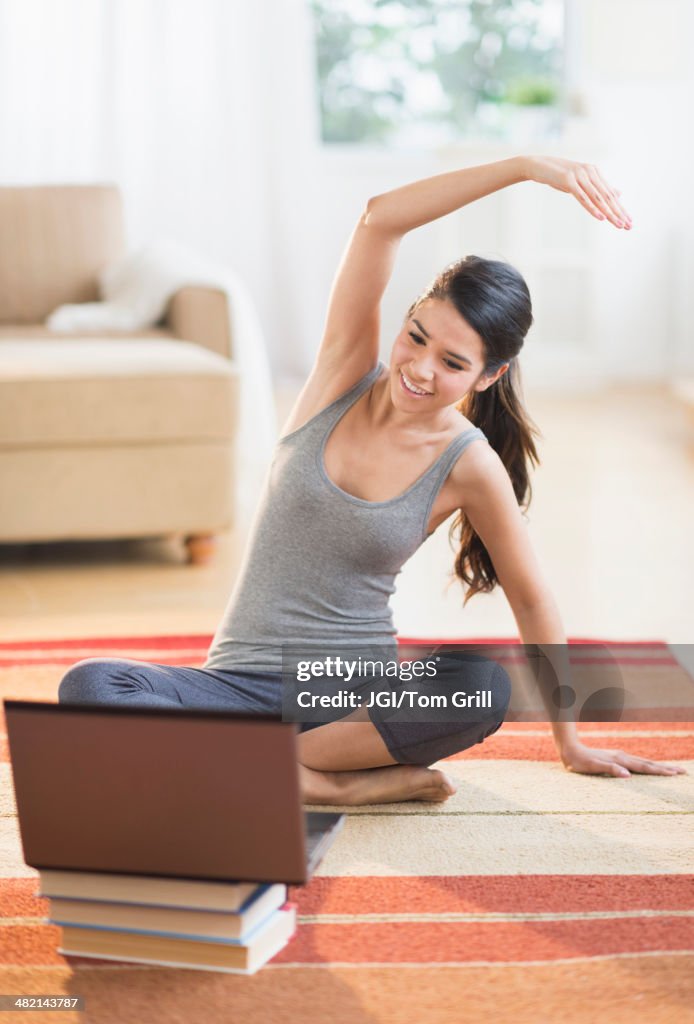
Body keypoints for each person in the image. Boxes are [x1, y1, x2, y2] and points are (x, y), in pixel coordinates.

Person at [59, 154, 686, 804]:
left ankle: (281, 770)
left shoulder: (469, 463)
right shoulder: (340, 375)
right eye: (416, 337)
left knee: (481, 686)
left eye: (451, 362)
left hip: (353, 701)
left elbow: (532, 599)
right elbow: (379, 220)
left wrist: (570, 740)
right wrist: (525, 168)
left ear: (488, 376)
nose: (418, 368)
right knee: (91, 686)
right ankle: (329, 787)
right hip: (238, 686)